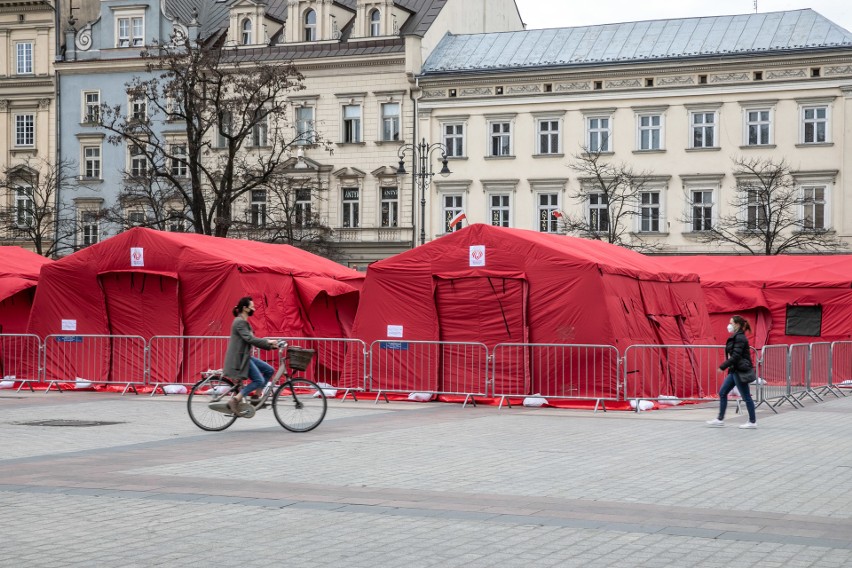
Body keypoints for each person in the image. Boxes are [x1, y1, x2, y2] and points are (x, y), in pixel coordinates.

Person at [223, 296, 279, 416]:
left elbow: (251, 339)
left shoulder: (243, 322)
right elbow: (250, 339)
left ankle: (256, 398)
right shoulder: (239, 322)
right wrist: (268, 342)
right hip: (239, 358)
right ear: (245, 308)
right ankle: (235, 400)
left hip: (244, 356)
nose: (254, 308)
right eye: (252, 307)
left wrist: (270, 345)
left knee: (269, 370)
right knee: (258, 380)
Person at [707, 315, 757, 429]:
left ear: (737, 325)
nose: (729, 325)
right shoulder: (737, 336)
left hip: (739, 371)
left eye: (731, 323)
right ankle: (720, 419)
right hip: (734, 370)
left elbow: (735, 356)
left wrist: (722, 366)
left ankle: (752, 421)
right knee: (723, 392)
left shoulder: (740, 338)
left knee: (746, 397)